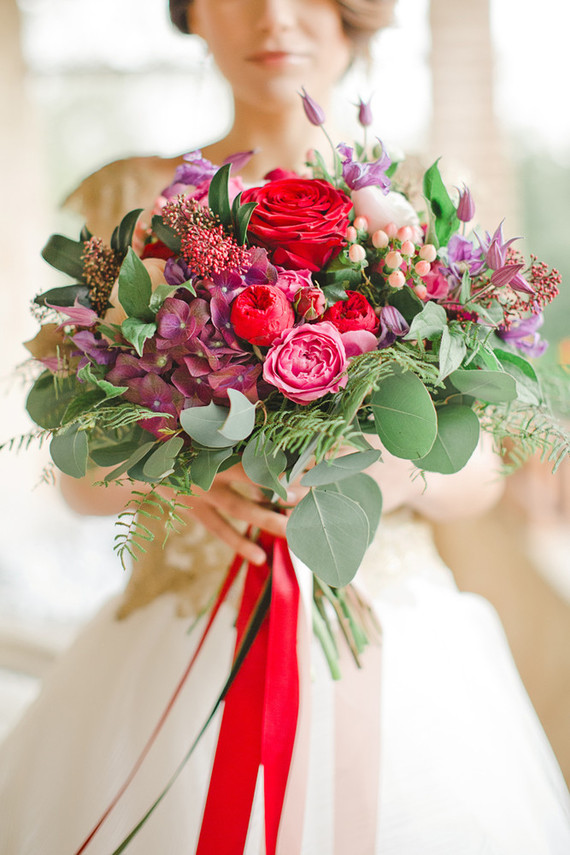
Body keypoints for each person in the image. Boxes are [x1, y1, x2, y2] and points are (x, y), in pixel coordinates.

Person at [1, 1, 570, 853]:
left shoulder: (422, 202)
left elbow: (482, 467)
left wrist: (376, 471)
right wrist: (183, 474)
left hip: (400, 640)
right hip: (182, 633)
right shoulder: (131, 200)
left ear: (352, 17)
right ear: (194, 14)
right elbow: (78, 477)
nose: (273, 18)